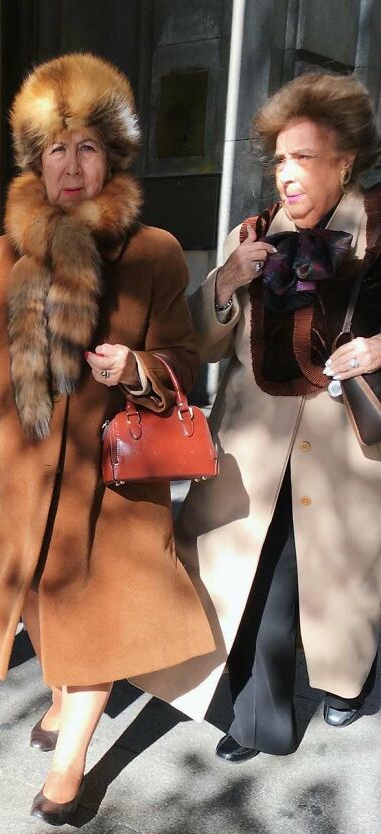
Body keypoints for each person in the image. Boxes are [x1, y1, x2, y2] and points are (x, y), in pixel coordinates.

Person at [0, 53, 215, 824]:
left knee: (94, 612)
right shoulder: (2, 259)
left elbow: (184, 361)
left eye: (87, 146)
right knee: (43, 605)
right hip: (26, 483)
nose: (72, 164)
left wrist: (136, 366)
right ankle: (63, 691)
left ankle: (71, 764)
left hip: (112, 488)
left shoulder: (152, 254)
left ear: (111, 156)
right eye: (57, 148)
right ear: (36, 161)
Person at [136, 73, 381, 762]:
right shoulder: (251, 235)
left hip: (344, 450)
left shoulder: (378, 231)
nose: (288, 173)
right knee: (254, 578)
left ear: (344, 162)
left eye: (304, 157)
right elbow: (203, 343)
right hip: (253, 446)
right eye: (280, 160)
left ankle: (345, 679)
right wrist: (225, 280)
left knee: (333, 581)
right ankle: (259, 720)